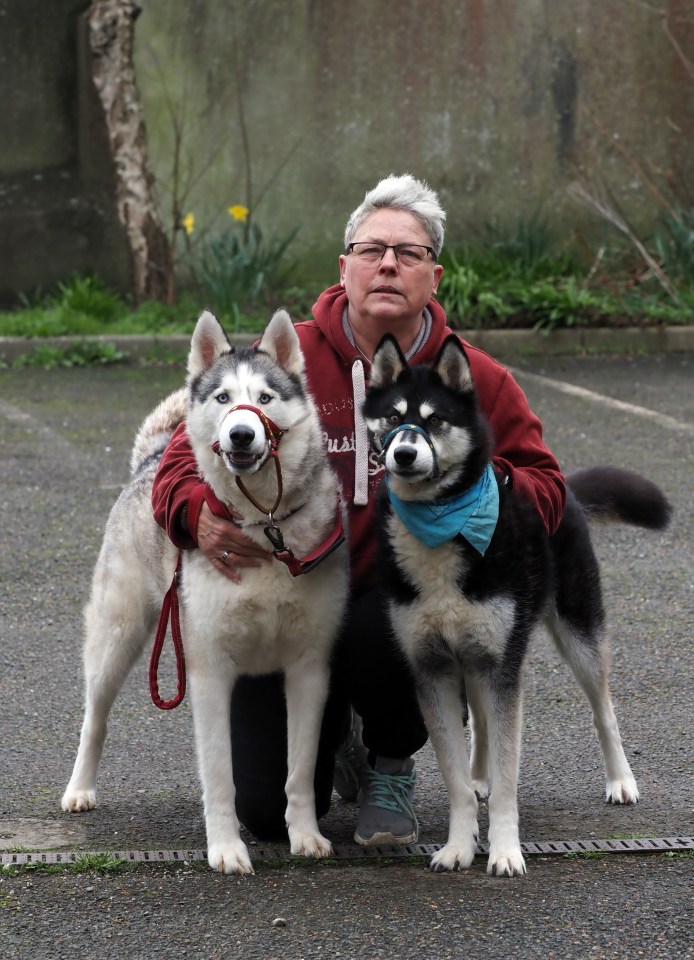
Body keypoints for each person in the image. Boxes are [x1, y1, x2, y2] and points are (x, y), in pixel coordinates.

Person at [151, 174, 566, 847]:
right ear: (344, 266)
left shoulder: (475, 379)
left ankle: (391, 761)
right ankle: (333, 740)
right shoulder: (284, 364)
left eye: (409, 252)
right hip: (284, 603)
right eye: (371, 249)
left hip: (395, 605)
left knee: (396, 621)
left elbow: (546, 486)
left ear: (436, 273)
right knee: (264, 817)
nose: (389, 264)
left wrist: (481, 489)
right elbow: (177, 459)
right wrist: (194, 511)